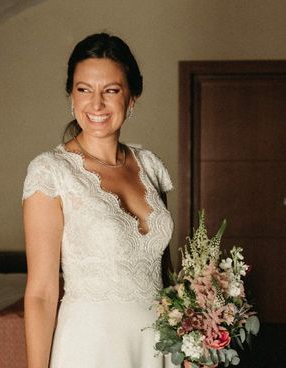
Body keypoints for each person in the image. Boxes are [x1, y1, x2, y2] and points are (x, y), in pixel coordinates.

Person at [22, 33, 174, 368]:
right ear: (71, 96)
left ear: (132, 98)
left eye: (111, 90)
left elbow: (164, 269)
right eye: (84, 89)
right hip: (91, 347)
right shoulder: (50, 171)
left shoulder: (150, 165)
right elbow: (41, 293)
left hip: (156, 345)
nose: (97, 104)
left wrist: (190, 339)